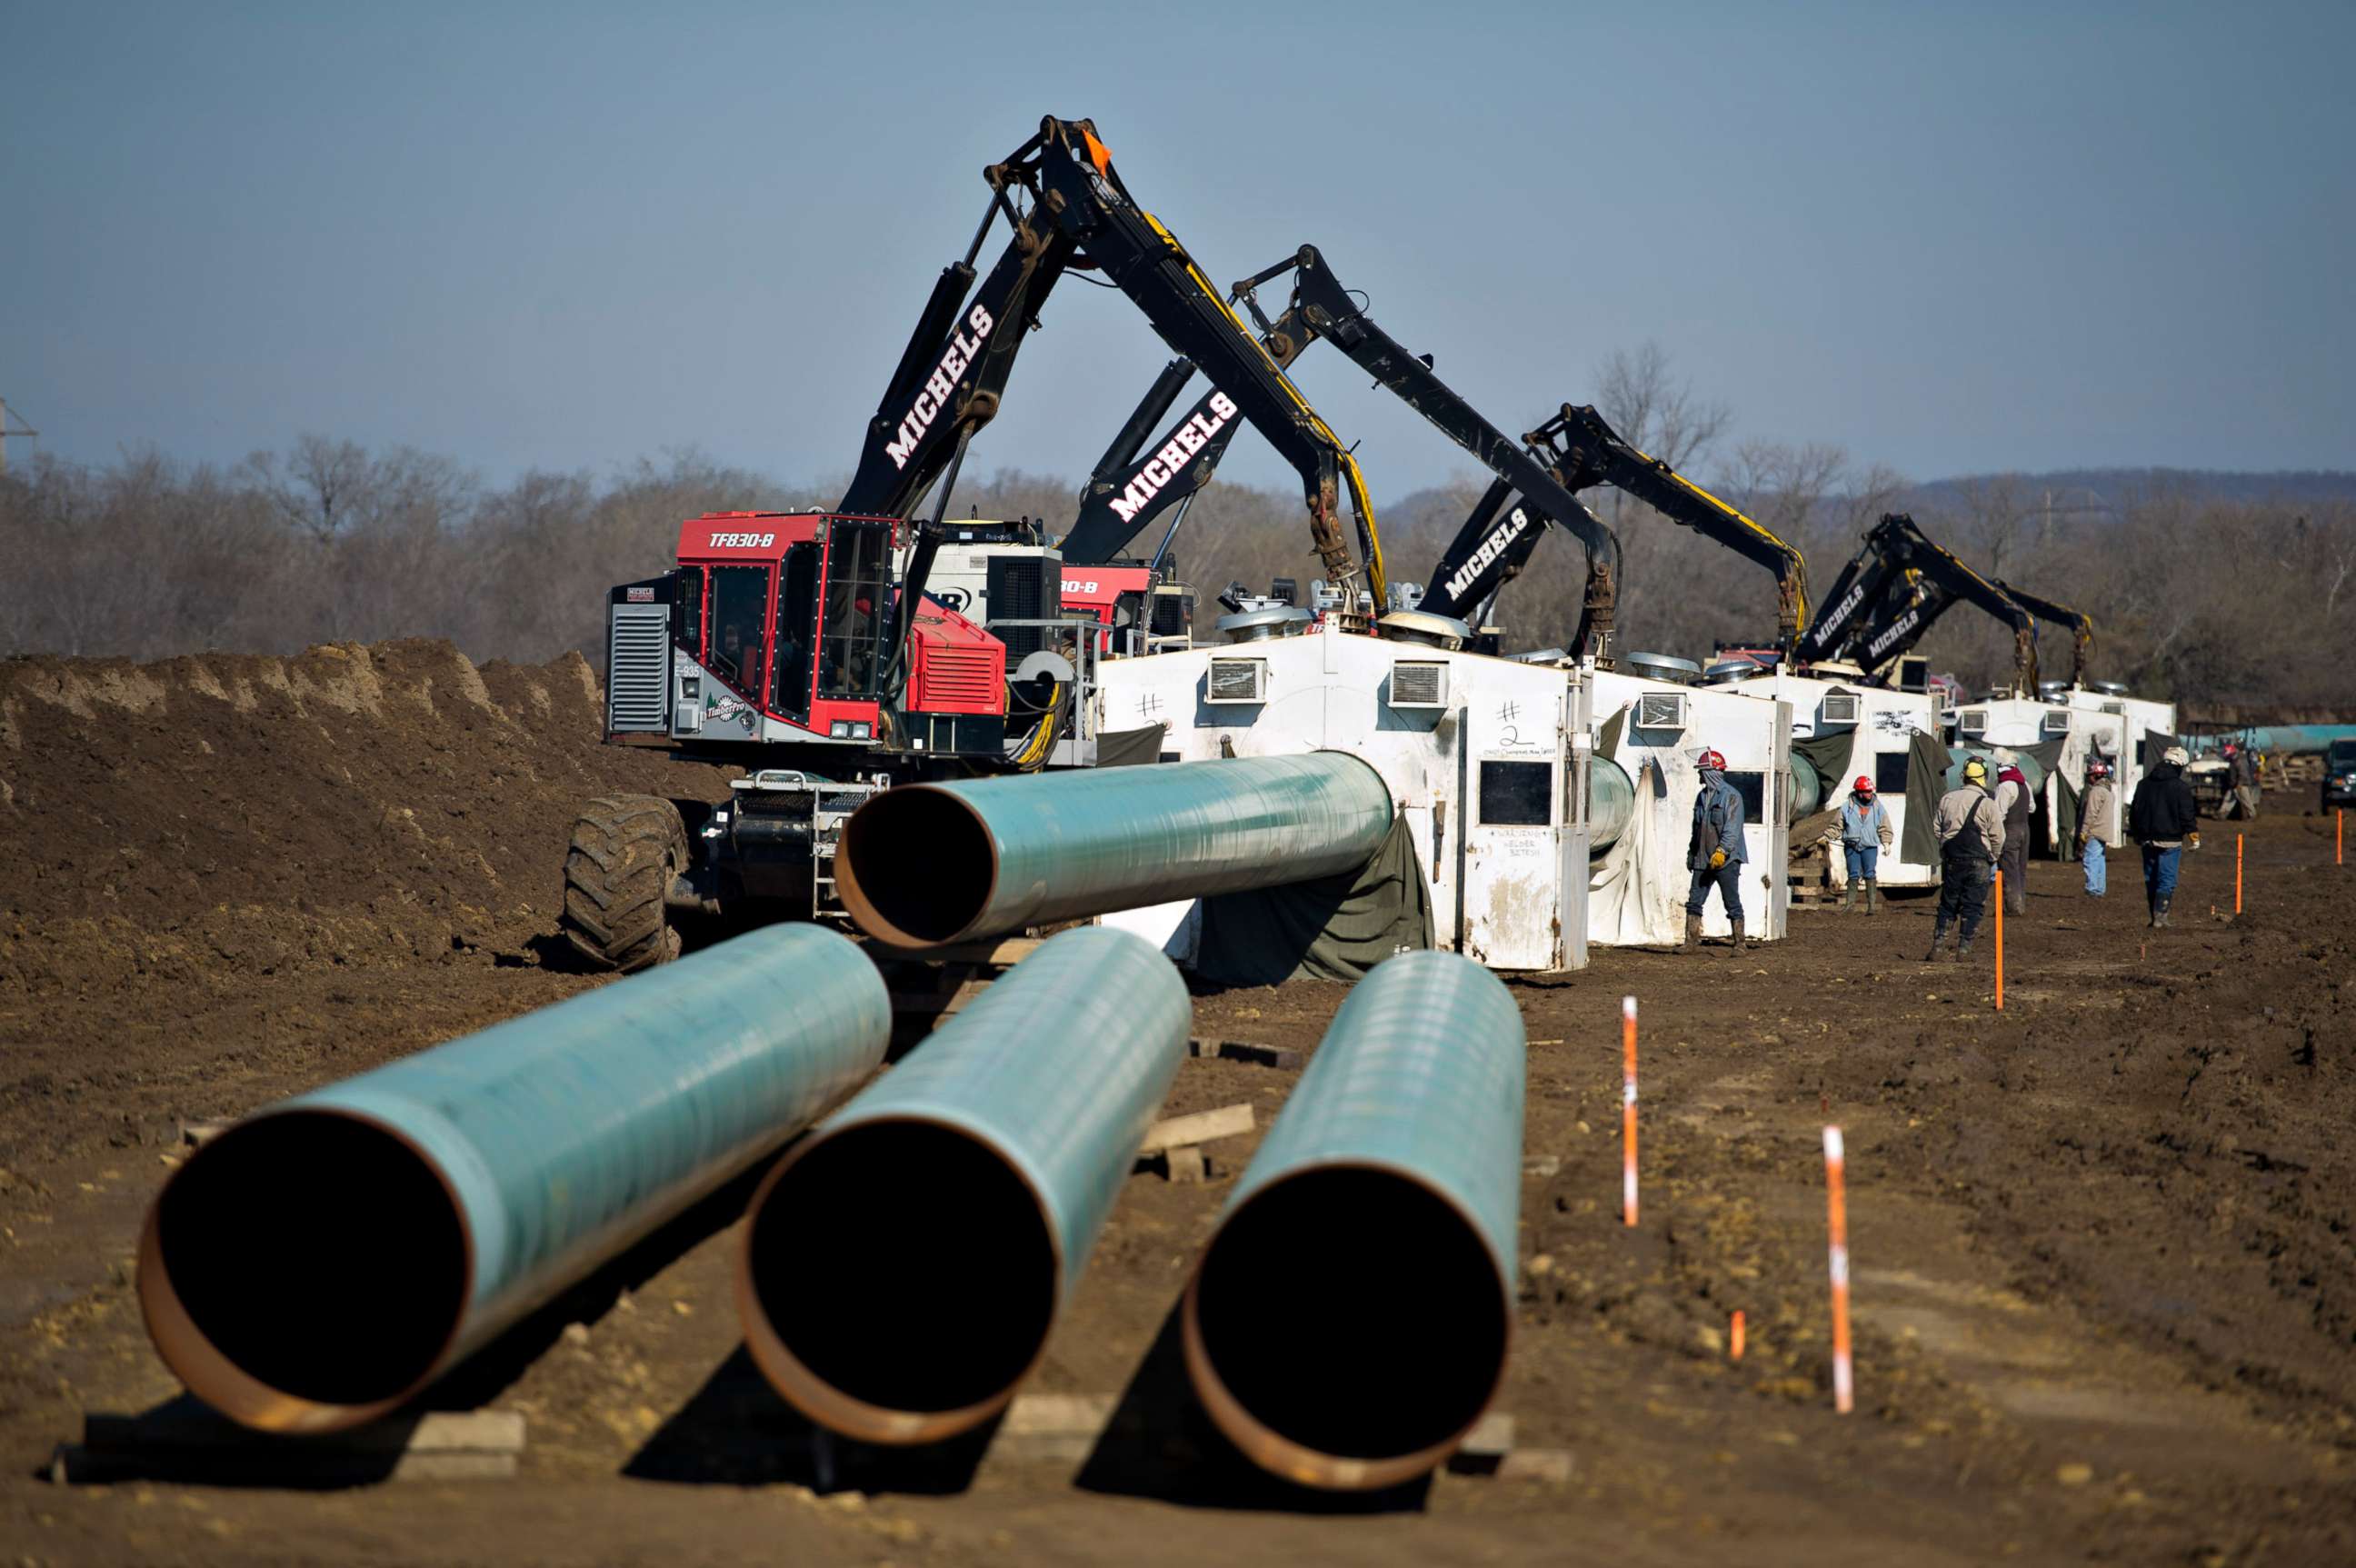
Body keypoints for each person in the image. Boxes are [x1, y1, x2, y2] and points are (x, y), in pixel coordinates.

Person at [1926, 757, 2003, 962]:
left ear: (1964, 776)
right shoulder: (1987, 803)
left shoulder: (1947, 799)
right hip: (1979, 861)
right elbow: (1998, 836)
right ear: (1984, 778)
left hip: (1953, 860)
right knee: (1973, 906)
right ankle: (1964, 950)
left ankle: (1938, 946)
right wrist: (1993, 856)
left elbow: (1936, 829)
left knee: (1948, 904)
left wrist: (1945, 848)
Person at [1683, 748, 1750, 953]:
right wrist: (1692, 853)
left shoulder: (1731, 797)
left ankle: (1740, 943)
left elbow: (1732, 828)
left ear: (1712, 772)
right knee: (1694, 901)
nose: (1699, 775)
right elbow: (1697, 829)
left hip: (1726, 860)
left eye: (1702, 771)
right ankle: (1690, 943)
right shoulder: (1701, 797)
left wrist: (1722, 851)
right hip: (1703, 859)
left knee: (1731, 901)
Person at [2129, 744, 2200, 928]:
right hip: (2171, 840)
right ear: (2180, 765)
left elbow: (2135, 811)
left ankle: (2154, 918)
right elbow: (2187, 814)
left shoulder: (2143, 784)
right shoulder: (2180, 787)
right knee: (2166, 879)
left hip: (2146, 839)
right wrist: (2194, 836)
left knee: (2150, 878)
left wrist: (2137, 833)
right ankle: (2161, 917)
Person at [1837, 774, 1894, 914]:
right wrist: (1829, 835)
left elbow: (1884, 826)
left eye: (1870, 791)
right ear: (1859, 792)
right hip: (1852, 846)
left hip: (1869, 846)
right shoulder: (1847, 807)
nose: (1869, 794)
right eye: (1866, 792)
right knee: (1853, 874)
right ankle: (1849, 905)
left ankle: (1871, 906)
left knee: (1869, 873)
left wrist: (1886, 843)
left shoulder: (1878, 807)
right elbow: (1837, 824)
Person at [1993, 749, 2032, 916]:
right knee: (2021, 869)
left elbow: (1999, 814)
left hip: (2010, 830)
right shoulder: (2025, 784)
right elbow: (2032, 807)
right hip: (2025, 828)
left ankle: (2012, 907)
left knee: (2009, 868)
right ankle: (2020, 903)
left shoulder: (2005, 786)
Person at [2080, 758, 2118, 897]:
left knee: (2090, 859)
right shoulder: (2108, 792)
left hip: (2095, 831)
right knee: (2100, 860)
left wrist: (2084, 831)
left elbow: (2090, 814)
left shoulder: (2096, 791)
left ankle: (2092, 888)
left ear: (2095, 775)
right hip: (2105, 831)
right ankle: (2099, 888)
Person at [2230, 742, 2261, 820]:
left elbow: (2243, 773)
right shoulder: (2242, 757)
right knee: (2232, 798)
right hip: (2240, 783)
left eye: (2235, 748)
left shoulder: (2240, 758)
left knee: (2246, 800)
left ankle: (2253, 815)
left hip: (2242, 783)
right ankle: (2222, 813)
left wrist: (2239, 783)